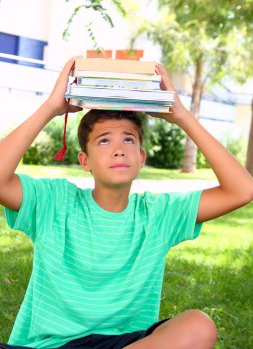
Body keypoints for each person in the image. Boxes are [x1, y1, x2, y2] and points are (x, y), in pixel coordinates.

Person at [0, 57, 252, 349]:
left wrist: (181, 115)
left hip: (124, 344)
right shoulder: (54, 203)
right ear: (85, 160)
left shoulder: (158, 215)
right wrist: (51, 108)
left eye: (129, 140)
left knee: (198, 325)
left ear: (141, 158)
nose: (119, 149)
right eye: (104, 141)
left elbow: (242, 190)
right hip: (46, 346)